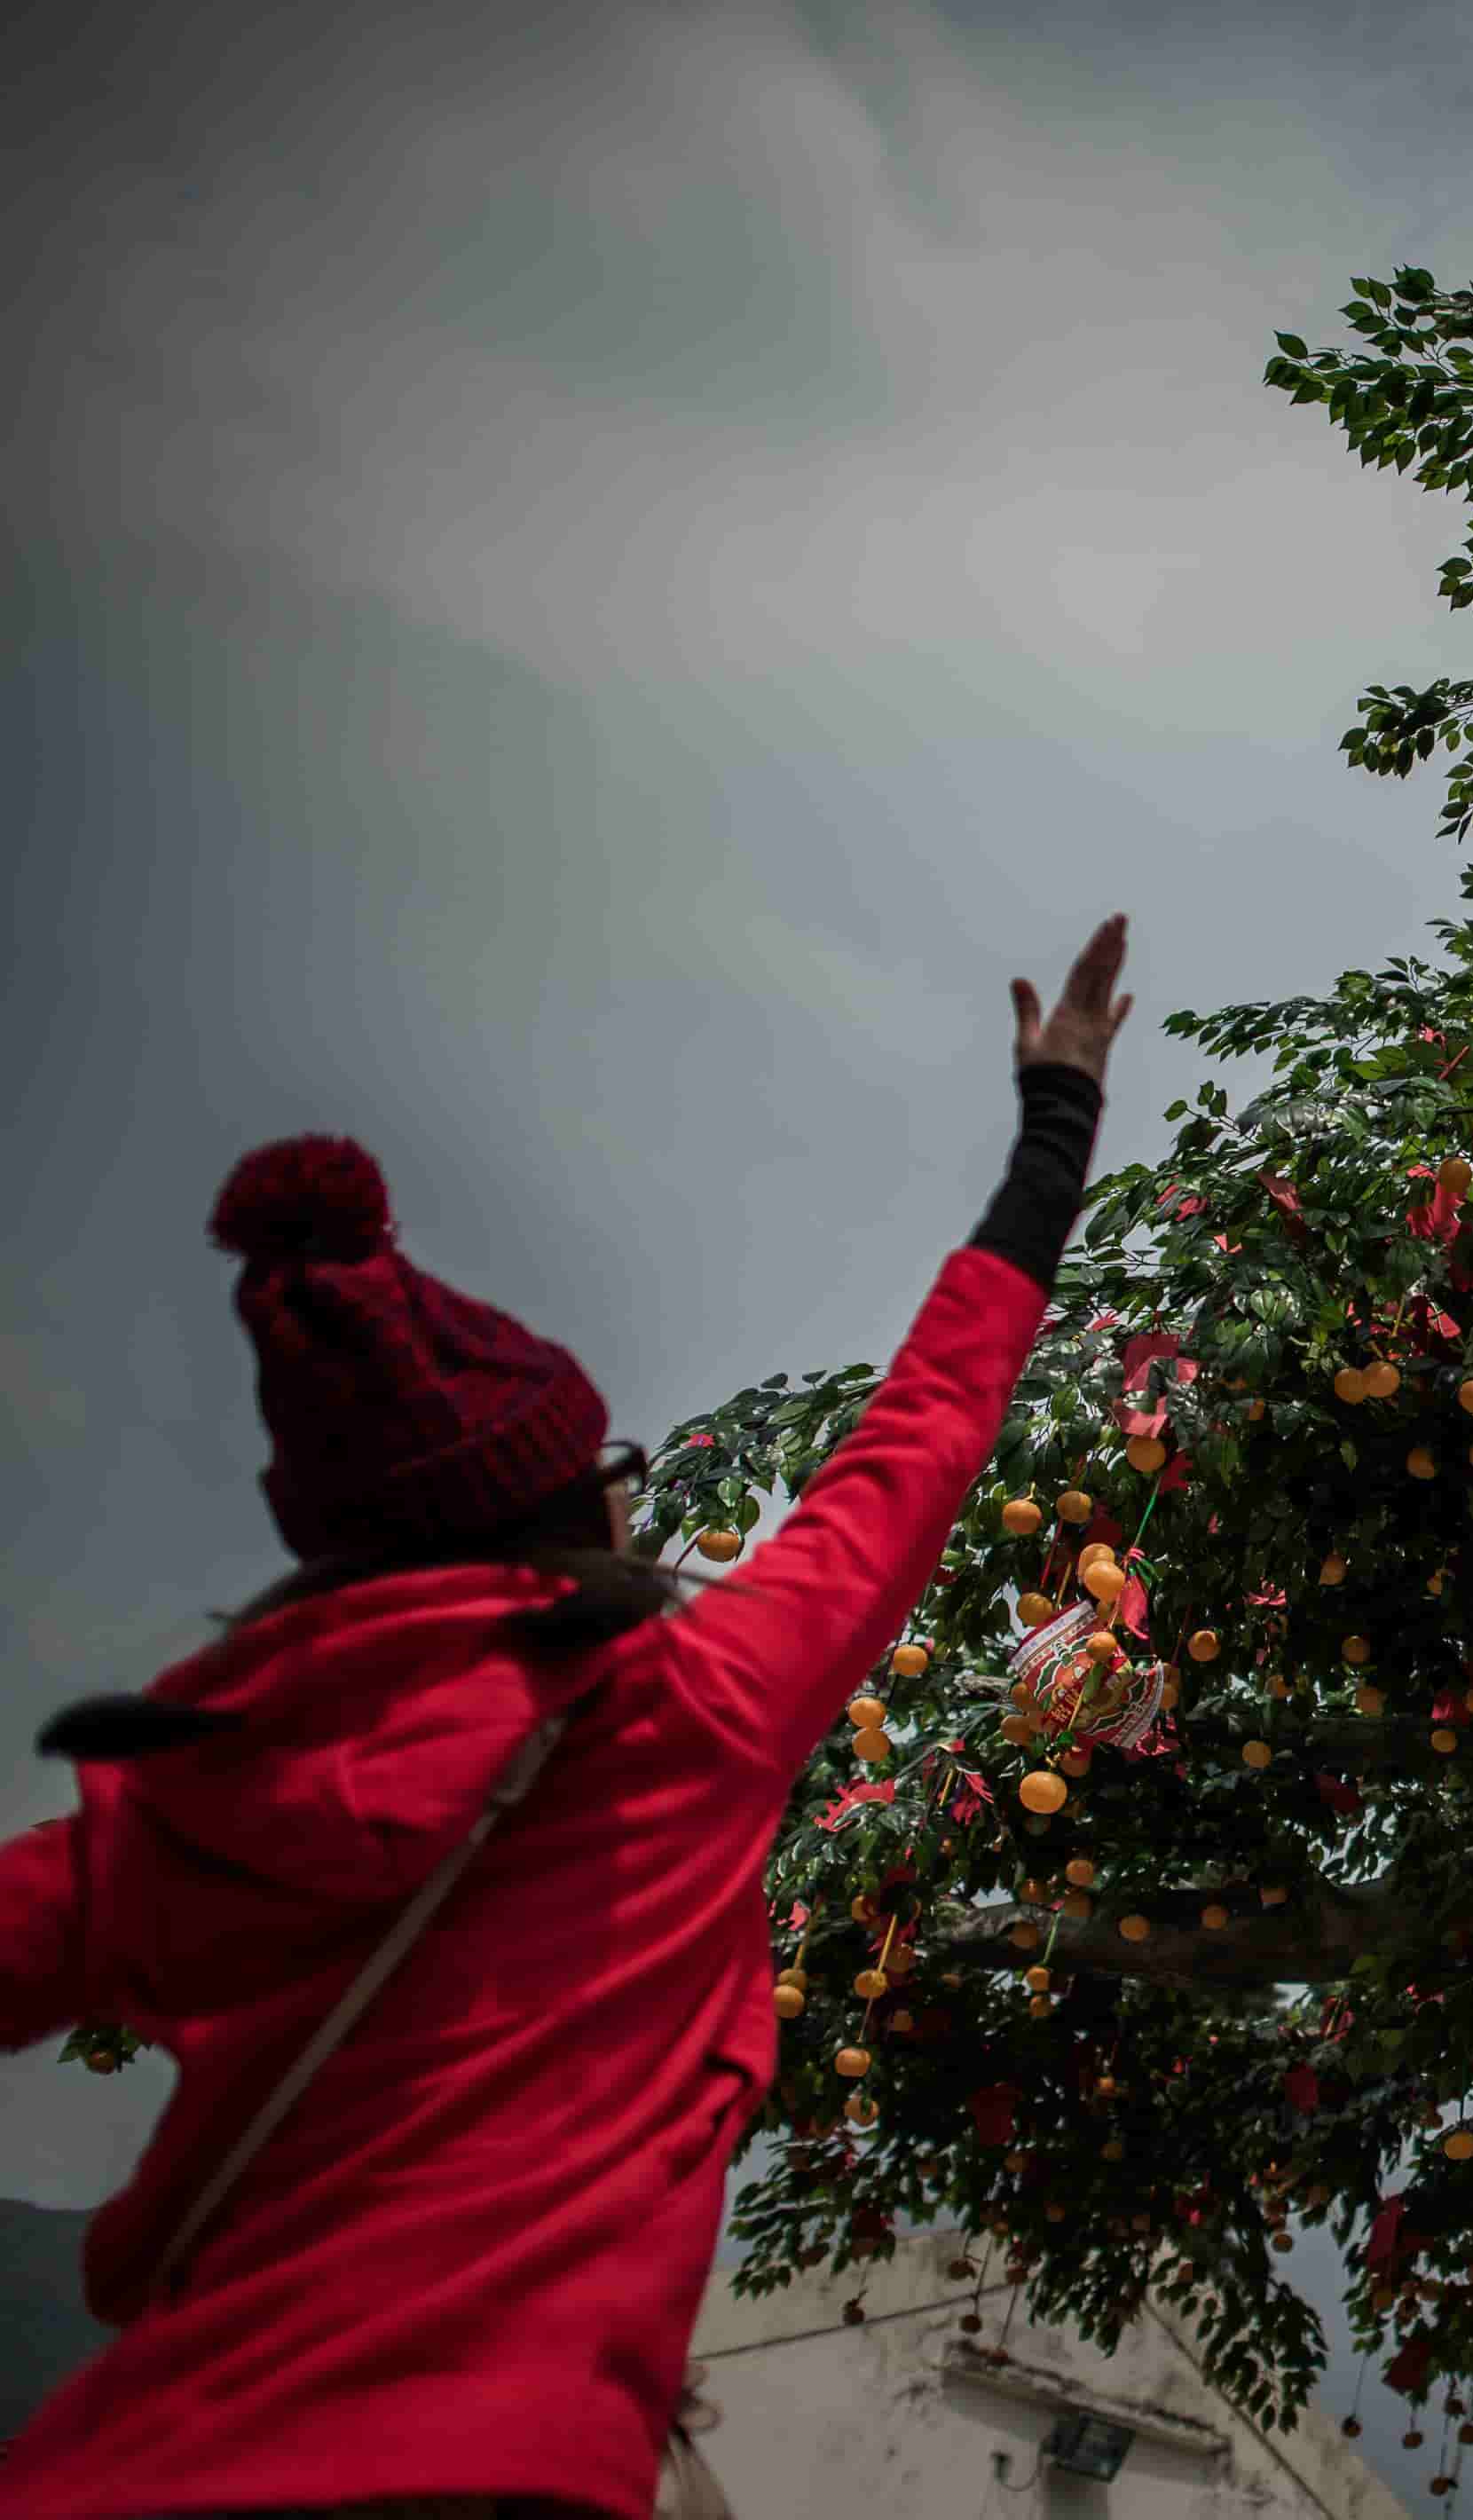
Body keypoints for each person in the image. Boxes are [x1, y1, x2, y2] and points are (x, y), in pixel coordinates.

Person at [0, 917, 1134, 2519]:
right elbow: (924, 1430)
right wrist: (1055, 1124)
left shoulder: (201, 1794)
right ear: (566, 1516)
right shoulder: (695, 1709)